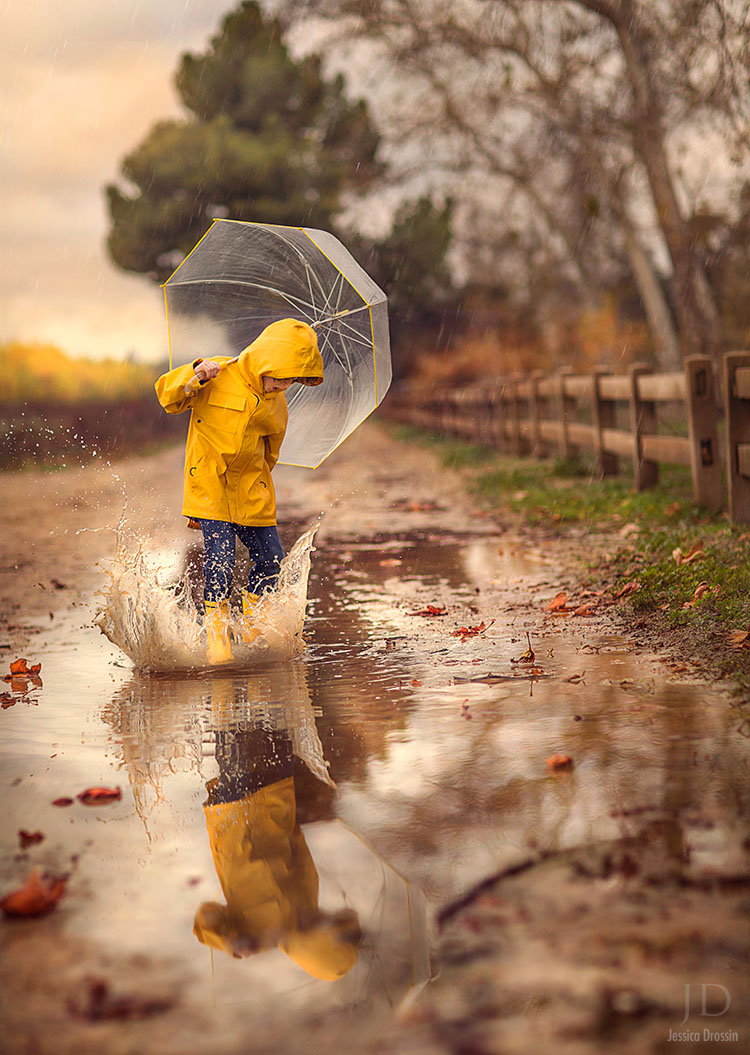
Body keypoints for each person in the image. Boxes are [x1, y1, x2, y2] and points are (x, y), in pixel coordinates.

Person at [155, 318, 324, 664]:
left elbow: (271, 450)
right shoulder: (218, 375)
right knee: (221, 556)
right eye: (281, 377)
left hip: (250, 488)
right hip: (211, 483)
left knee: (271, 558)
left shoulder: (277, 402)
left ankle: (251, 618)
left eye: (292, 381)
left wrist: (258, 480)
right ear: (266, 362)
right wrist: (196, 373)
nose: (284, 386)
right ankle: (217, 632)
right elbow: (168, 397)